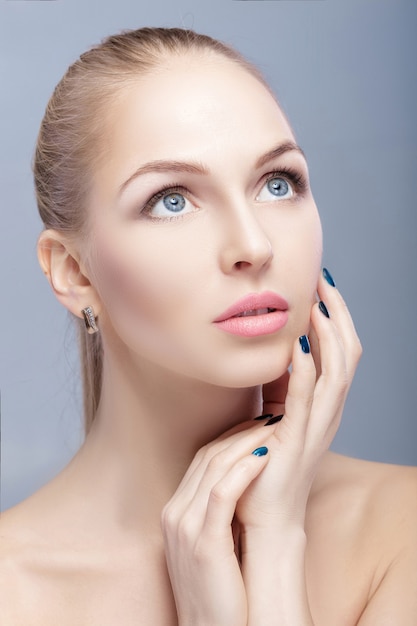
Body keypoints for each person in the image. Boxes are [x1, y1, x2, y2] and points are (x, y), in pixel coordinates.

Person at [0, 26, 416, 625]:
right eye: (172, 199)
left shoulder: (404, 532)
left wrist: (274, 545)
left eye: (279, 183)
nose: (253, 244)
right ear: (74, 273)